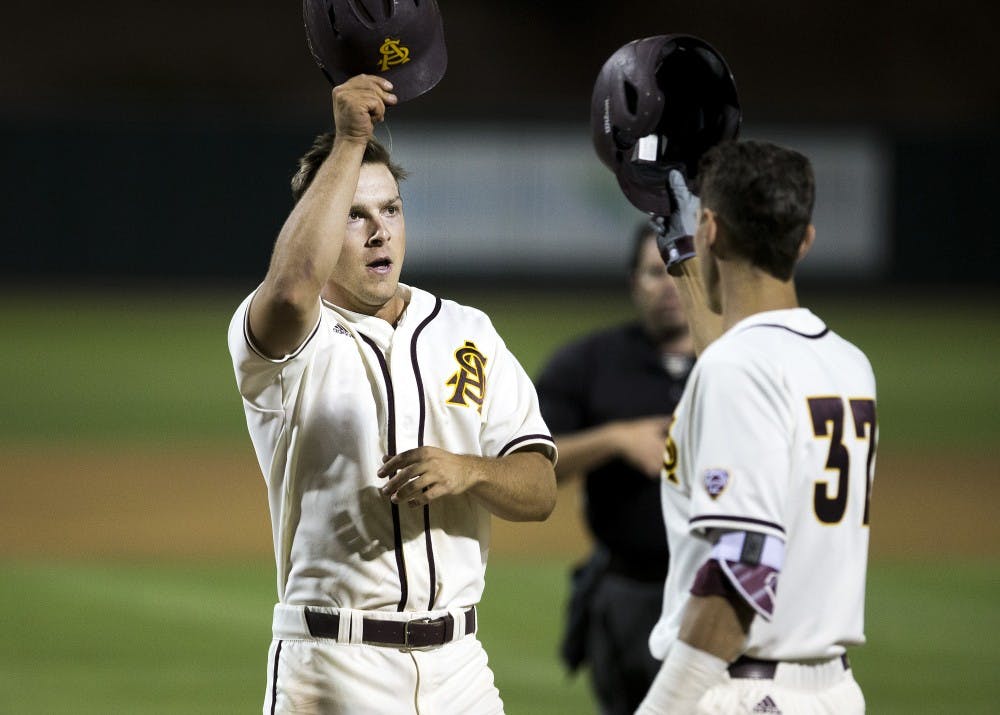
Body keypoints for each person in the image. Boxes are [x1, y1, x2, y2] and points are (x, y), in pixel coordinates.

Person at [227, 74, 557, 715]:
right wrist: (351, 137)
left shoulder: (467, 331)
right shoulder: (286, 339)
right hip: (333, 667)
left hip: (460, 668)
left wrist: (468, 470)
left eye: (391, 210)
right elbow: (294, 288)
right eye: (354, 214)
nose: (380, 232)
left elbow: (540, 489)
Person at [637, 140, 878, 714]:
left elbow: (743, 570)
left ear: (711, 230)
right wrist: (684, 254)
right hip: (833, 691)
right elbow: (747, 363)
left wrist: (663, 706)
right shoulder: (849, 363)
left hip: (743, 689)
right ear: (805, 240)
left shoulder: (737, 369)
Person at [534, 221, 695, 714]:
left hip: (717, 596)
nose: (668, 285)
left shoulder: (734, 362)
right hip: (628, 593)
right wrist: (613, 439)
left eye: (679, 271)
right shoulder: (589, 363)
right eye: (653, 272)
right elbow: (530, 467)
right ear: (633, 282)